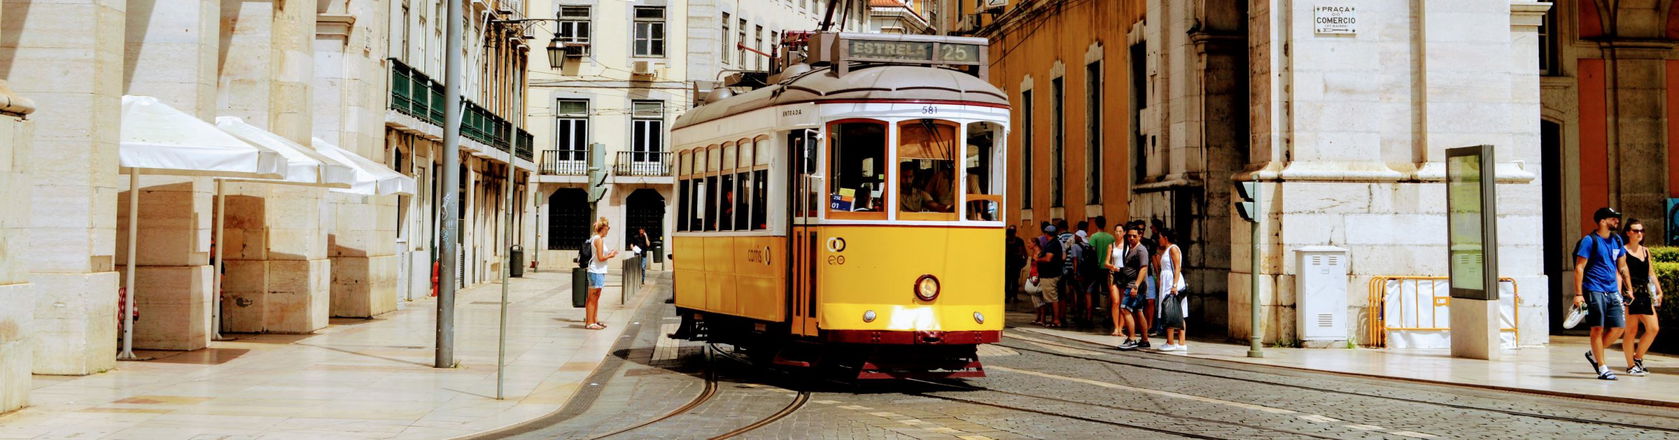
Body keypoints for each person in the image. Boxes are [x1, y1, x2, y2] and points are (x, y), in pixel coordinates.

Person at [1575, 207, 1629, 380]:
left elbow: (1622, 266)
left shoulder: (1617, 240)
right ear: (1602, 221)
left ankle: (1593, 354)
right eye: (1613, 218)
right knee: (1597, 328)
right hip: (1594, 289)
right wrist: (1578, 294)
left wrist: (1628, 288)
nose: (1617, 221)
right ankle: (1602, 367)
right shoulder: (1589, 241)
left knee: (1619, 328)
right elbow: (1579, 267)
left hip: (1612, 290)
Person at [1620, 218, 1663, 376]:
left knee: (1653, 328)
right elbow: (1621, 272)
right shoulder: (1622, 251)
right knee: (1631, 330)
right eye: (1636, 230)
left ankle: (1637, 358)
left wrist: (1659, 291)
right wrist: (1625, 292)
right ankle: (1631, 366)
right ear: (1628, 232)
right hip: (1630, 293)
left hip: (1644, 293)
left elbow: (1651, 272)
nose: (1640, 233)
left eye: (1641, 230)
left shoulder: (1645, 251)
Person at [1112, 225, 1150, 350]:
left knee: (1125, 309)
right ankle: (1144, 340)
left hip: (1134, 285)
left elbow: (1143, 268)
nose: (1131, 238)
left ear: (1140, 236)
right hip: (1131, 283)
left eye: (1134, 236)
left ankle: (1132, 338)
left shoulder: (1141, 250)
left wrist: (1136, 286)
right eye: (1129, 236)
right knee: (1138, 311)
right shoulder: (1131, 248)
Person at [585, 217, 620, 330]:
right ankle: (590, 322)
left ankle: (594, 320)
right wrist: (611, 255)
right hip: (596, 271)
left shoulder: (597, 238)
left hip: (598, 270)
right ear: (603, 228)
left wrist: (609, 253)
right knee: (592, 298)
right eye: (608, 228)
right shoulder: (598, 239)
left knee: (595, 297)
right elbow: (600, 258)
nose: (608, 230)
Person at [1157, 230, 1188, 352]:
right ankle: (1178, 342)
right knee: (1175, 312)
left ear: (1165, 238)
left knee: (1170, 310)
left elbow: (1177, 267)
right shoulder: (1167, 250)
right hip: (1168, 282)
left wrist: (1174, 285)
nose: (1159, 239)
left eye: (1160, 237)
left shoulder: (1173, 249)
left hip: (1172, 283)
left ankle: (1172, 342)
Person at [1087, 217, 1117, 326]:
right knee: (1108, 293)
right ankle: (1108, 316)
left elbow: (1092, 252)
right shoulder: (1111, 238)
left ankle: (1089, 317)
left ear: (1096, 224)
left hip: (1096, 268)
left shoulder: (1094, 237)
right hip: (1107, 268)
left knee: (1089, 292)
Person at [1035, 223, 1065, 327]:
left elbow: (1048, 258)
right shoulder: (1054, 243)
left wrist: (1038, 259)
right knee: (1053, 297)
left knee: (1052, 298)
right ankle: (1055, 319)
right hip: (1052, 273)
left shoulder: (1052, 244)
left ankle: (1056, 320)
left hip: (1050, 275)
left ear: (1046, 234)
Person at [1006, 225, 1027, 304]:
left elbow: (1023, 251)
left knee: (1011, 281)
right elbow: (1023, 252)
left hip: (1013, 264)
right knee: (1011, 281)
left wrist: (1024, 260)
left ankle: (1011, 297)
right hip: (1010, 264)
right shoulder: (1008, 241)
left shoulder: (1017, 241)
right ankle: (1011, 297)